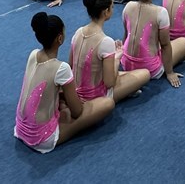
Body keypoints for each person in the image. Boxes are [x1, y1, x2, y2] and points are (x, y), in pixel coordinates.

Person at [15, 12, 114, 154]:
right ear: (60, 38)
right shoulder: (62, 68)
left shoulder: (33, 54)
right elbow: (77, 112)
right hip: (42, 138)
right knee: (107, 103)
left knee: (62, 100)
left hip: (20, 128)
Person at [70, 0, 151, 102]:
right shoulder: (105, 41)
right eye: (112, 7)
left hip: (75, 90)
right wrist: (117, 58)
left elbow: (72, 65)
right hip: (95, 96)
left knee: (127, 74)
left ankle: (127, 89)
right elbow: (109, 83)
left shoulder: (78, 32)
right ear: (105, 12)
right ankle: (126, 91)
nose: (113, 10)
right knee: (145, 74)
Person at [120, 0, 185, 88]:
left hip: (126, 63)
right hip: (150, 68)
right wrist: (169, 72)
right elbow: (165, 45)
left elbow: (126, 34)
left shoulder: (128, 6)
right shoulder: (160, 12)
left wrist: (123, 54)